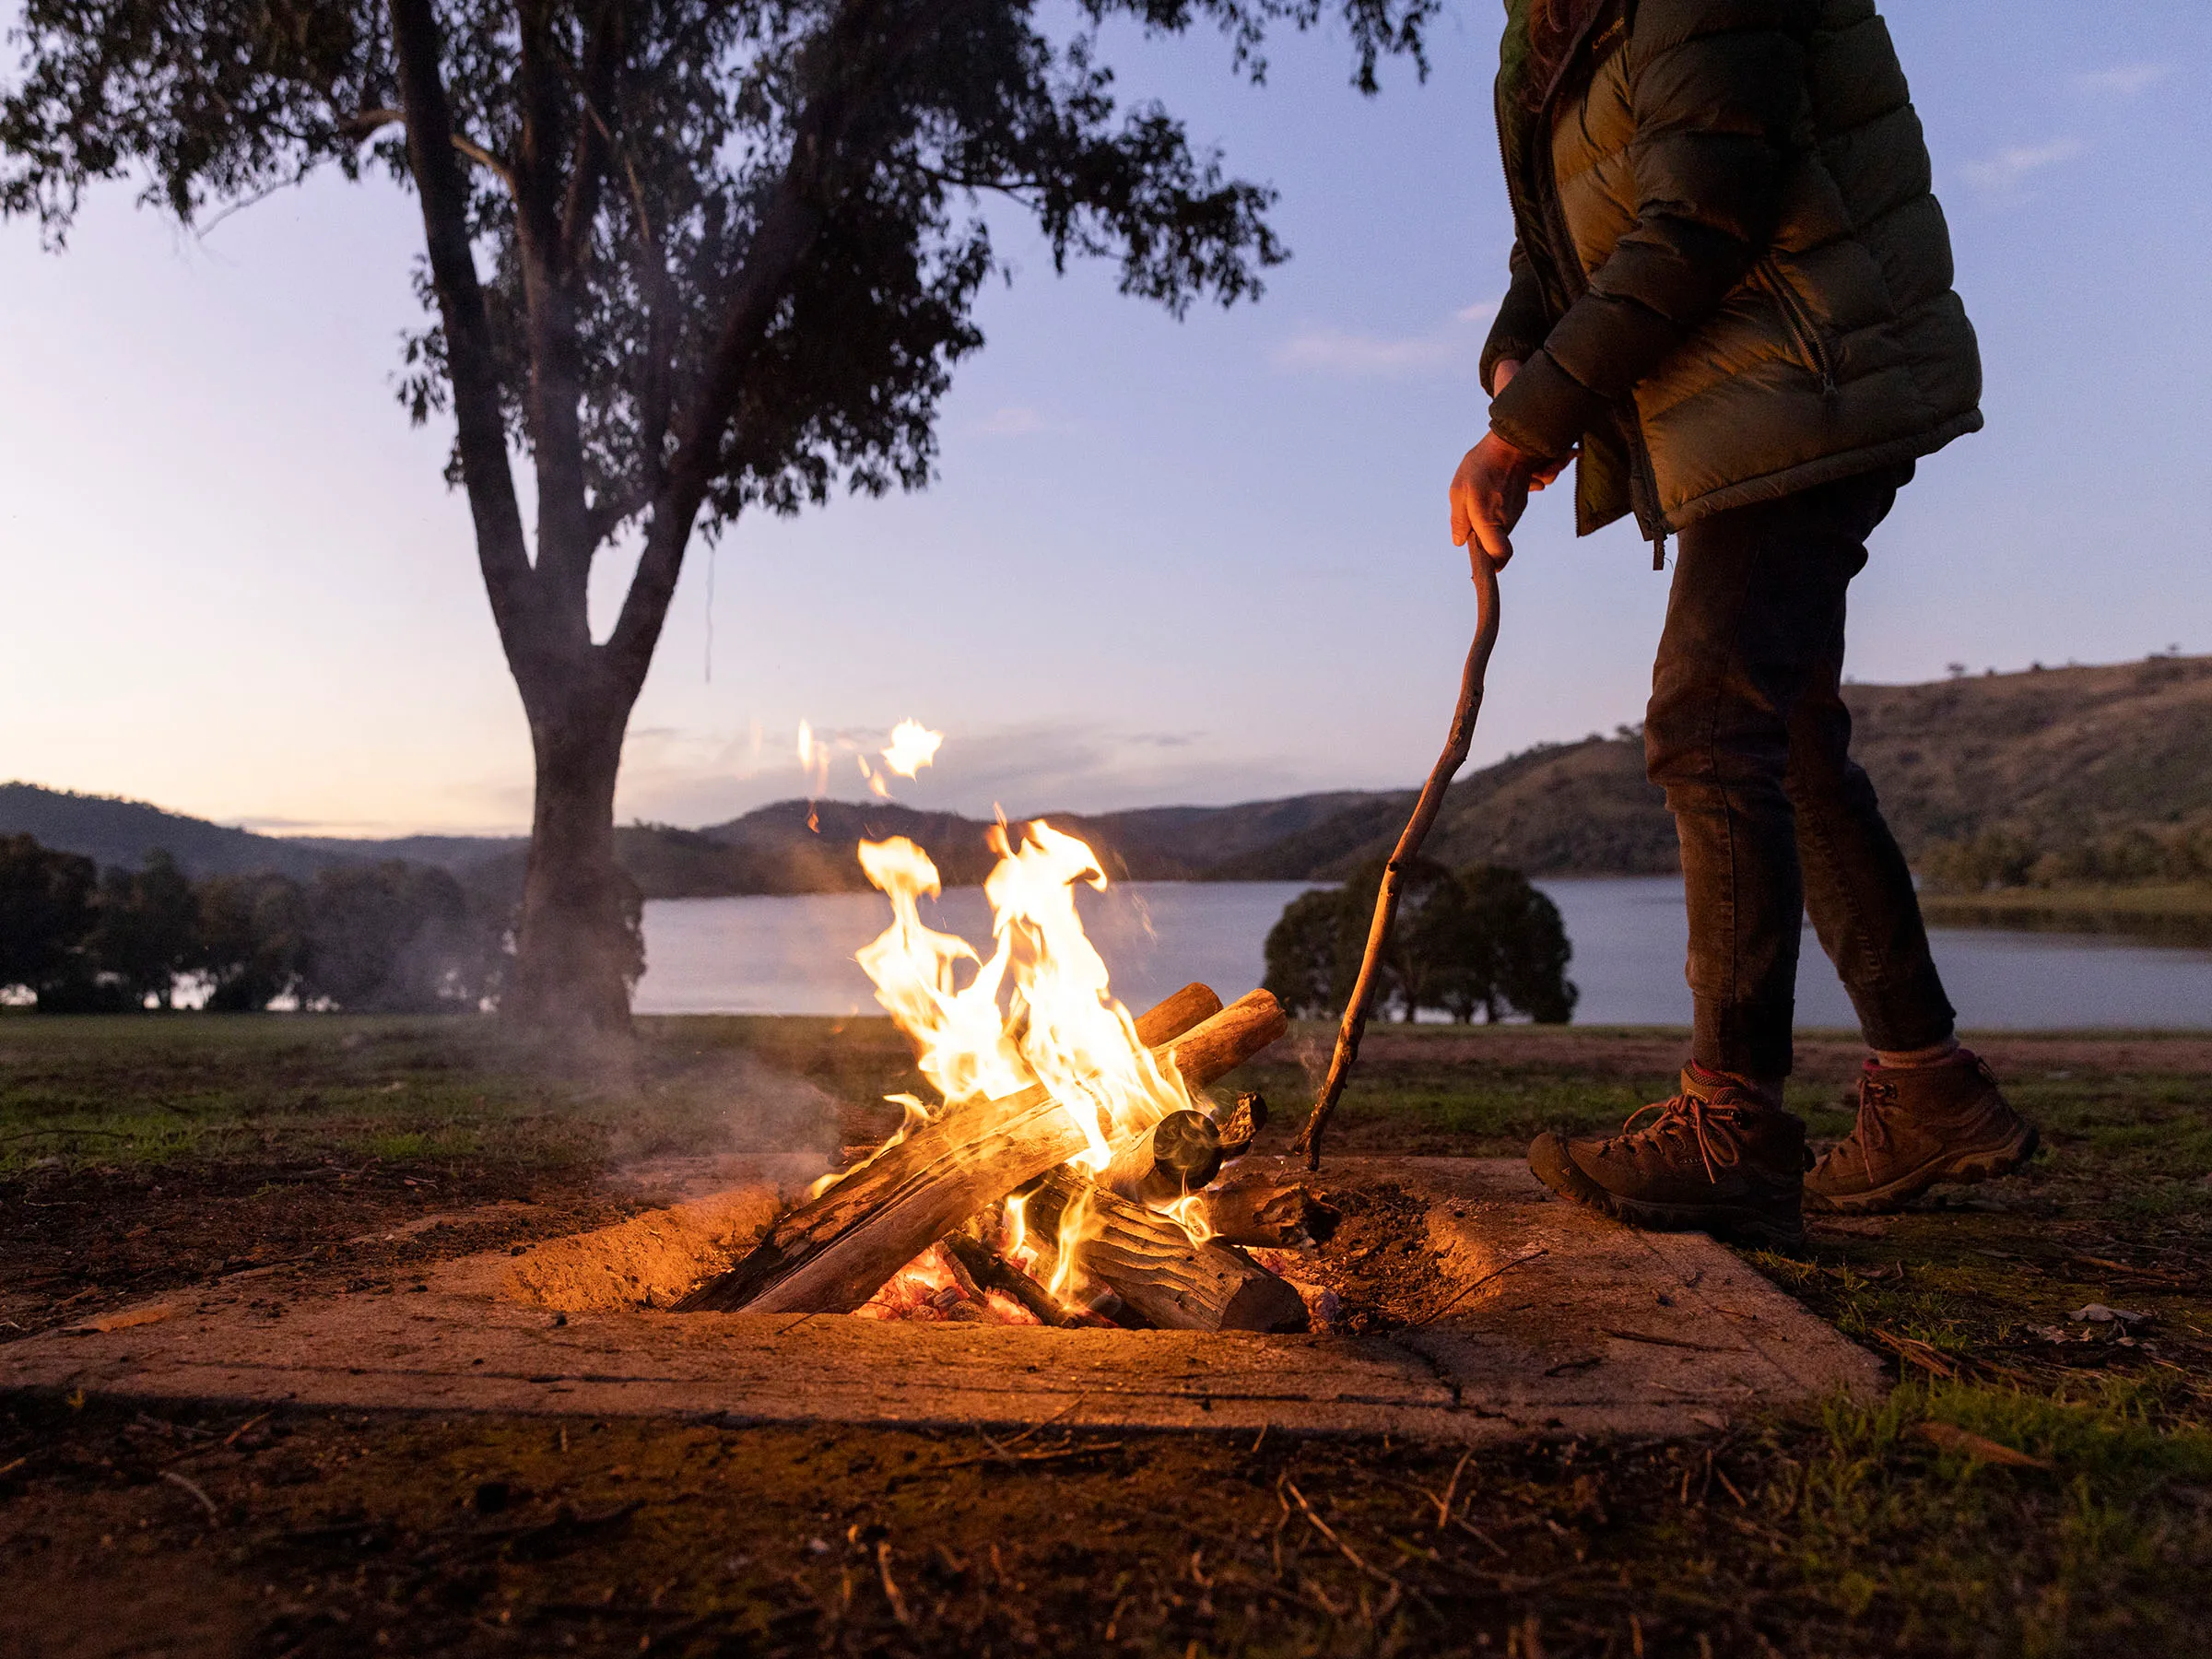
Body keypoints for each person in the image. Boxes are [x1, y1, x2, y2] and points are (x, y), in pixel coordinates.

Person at [1452, 0, 2037, 1249]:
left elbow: (1706, 199)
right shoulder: (1543, 30)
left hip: (1809, 372)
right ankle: (1928, 1091)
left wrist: (1530, 426)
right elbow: (1553, 244)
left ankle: (1733, 1131)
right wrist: (1521, 356)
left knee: (1711, 721)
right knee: (1786, 741)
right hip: (1745, 398)